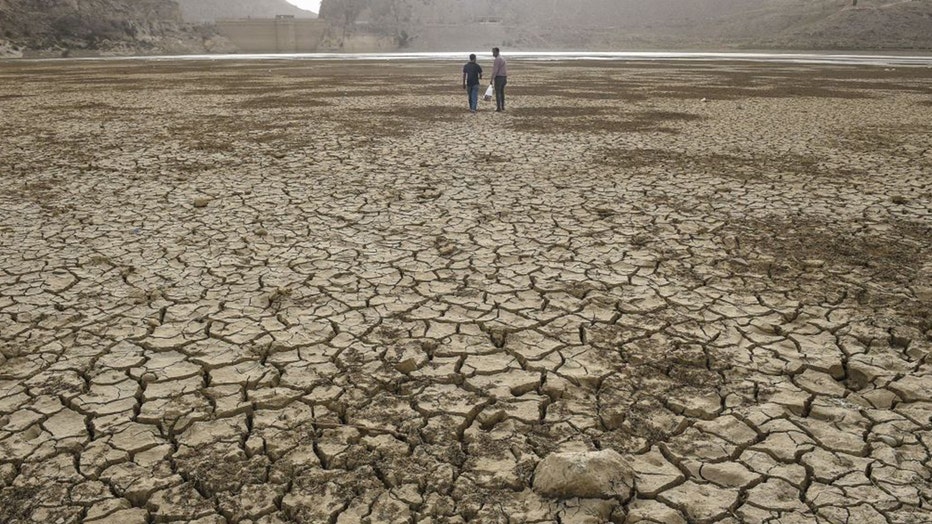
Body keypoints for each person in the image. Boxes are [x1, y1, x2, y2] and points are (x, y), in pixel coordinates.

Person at [490, 47, 507, 112]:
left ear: (497, 52)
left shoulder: (497, 59)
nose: (493, 54)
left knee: (498, 93)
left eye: (493, 52)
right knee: (502, 92)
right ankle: (502, 106)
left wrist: (492, 79)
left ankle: (498, 107)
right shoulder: (502, 58)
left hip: (499, 77)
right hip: (504, 77)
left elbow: (495, 70)